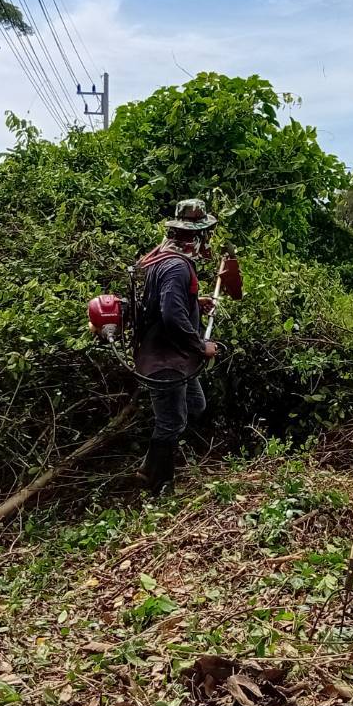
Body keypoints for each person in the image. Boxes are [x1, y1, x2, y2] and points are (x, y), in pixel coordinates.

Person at [133, 199, 220, 494]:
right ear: (196, 235)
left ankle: (151, 465)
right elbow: (171, 314)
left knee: (195, 405)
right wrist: (201, 345)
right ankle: (157, 483)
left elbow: (166, 301)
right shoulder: (176, 267)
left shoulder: (164, 258)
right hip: (166, 359)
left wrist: (195, 302)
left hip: (177, 357)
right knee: (171, 421)